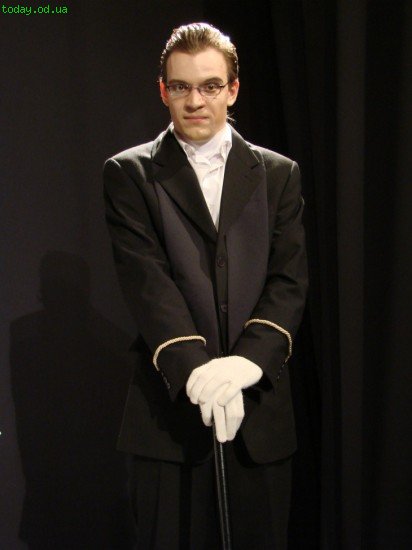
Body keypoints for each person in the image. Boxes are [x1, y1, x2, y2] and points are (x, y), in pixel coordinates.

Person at [103, 22, 308, 550]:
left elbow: (288, 280)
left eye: (210, 86)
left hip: (258, 416)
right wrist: (196, 370)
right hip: (168, 422)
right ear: (163, 91)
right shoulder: (129, 174)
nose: (195, 101)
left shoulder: (279, 174)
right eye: (181, 87)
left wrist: (248, 363)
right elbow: (147, 283)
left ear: (232, 90)